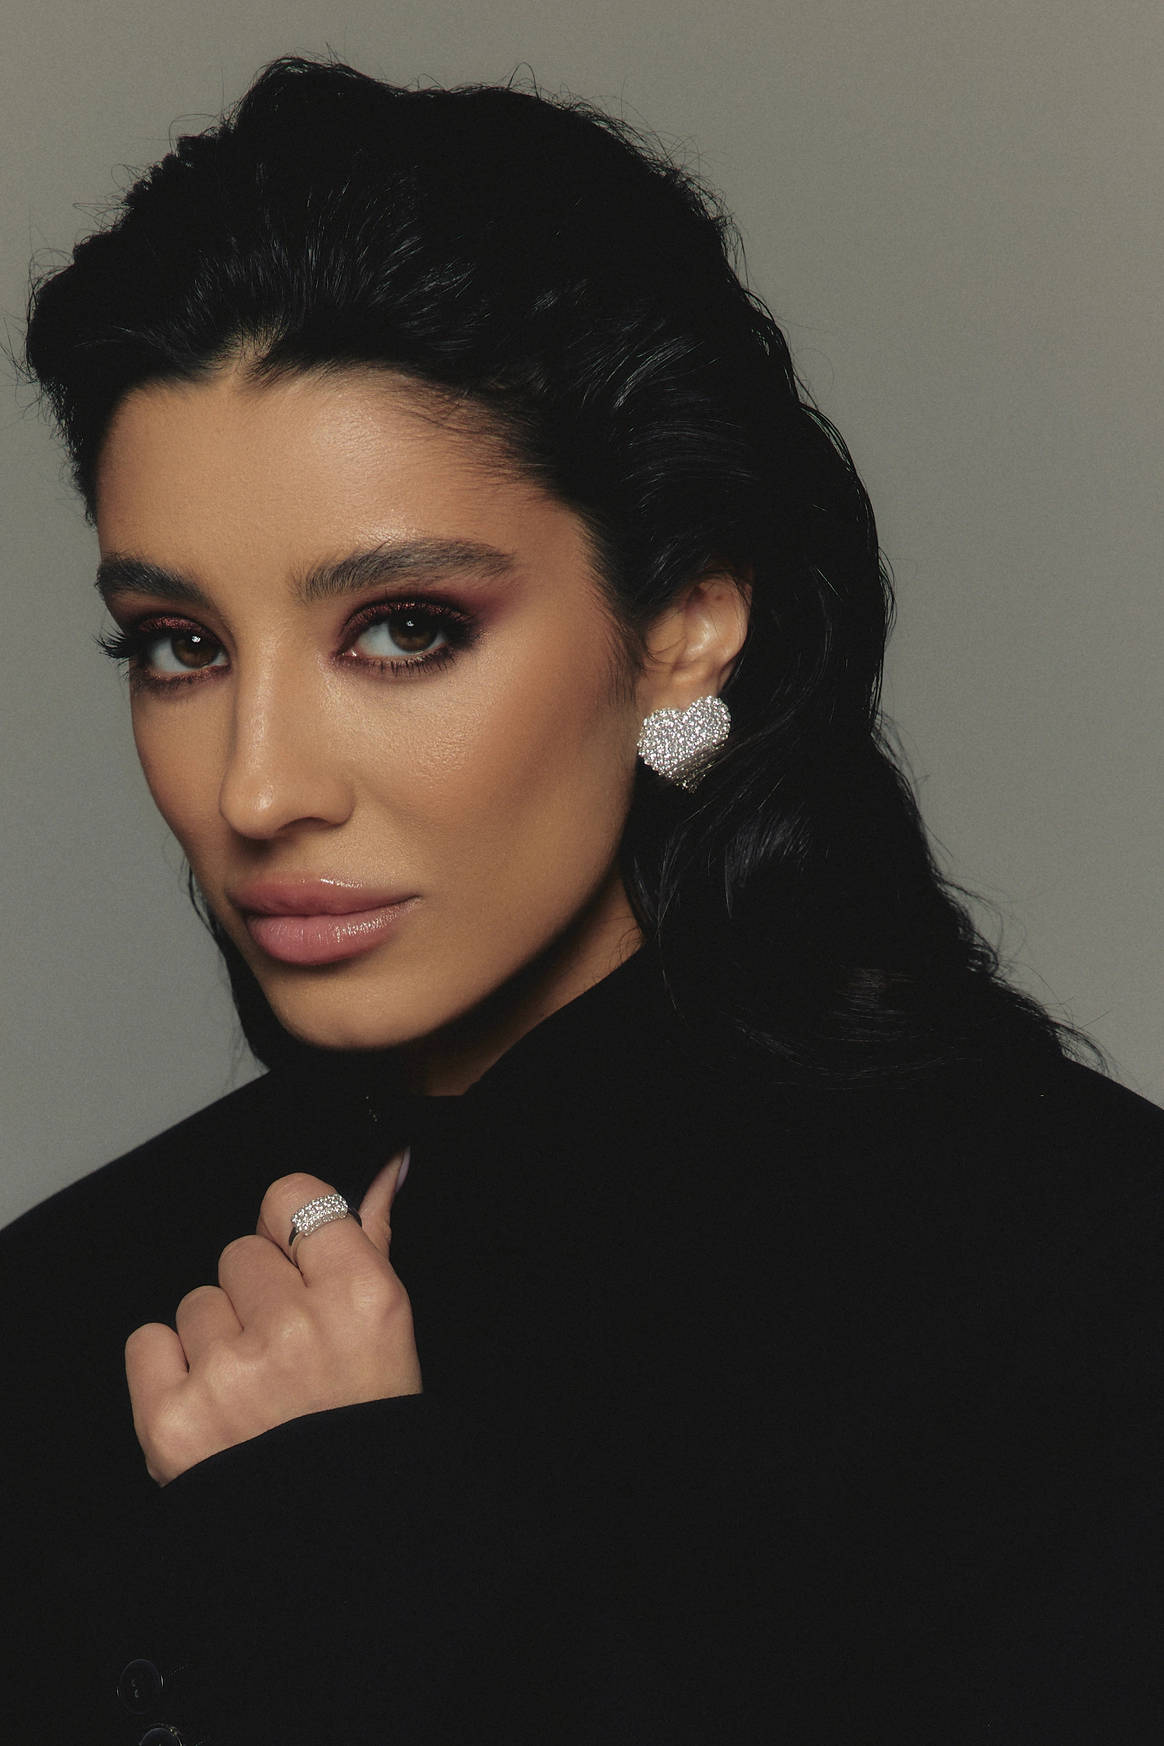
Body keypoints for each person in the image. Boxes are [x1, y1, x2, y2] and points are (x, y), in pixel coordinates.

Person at [3, 53, 1162, 1745]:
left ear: (684, 628)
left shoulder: (1063, 1280)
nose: (256, 788)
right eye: (180, 645)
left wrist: (345, 1538)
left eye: (404, 627)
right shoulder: (73, 1298)